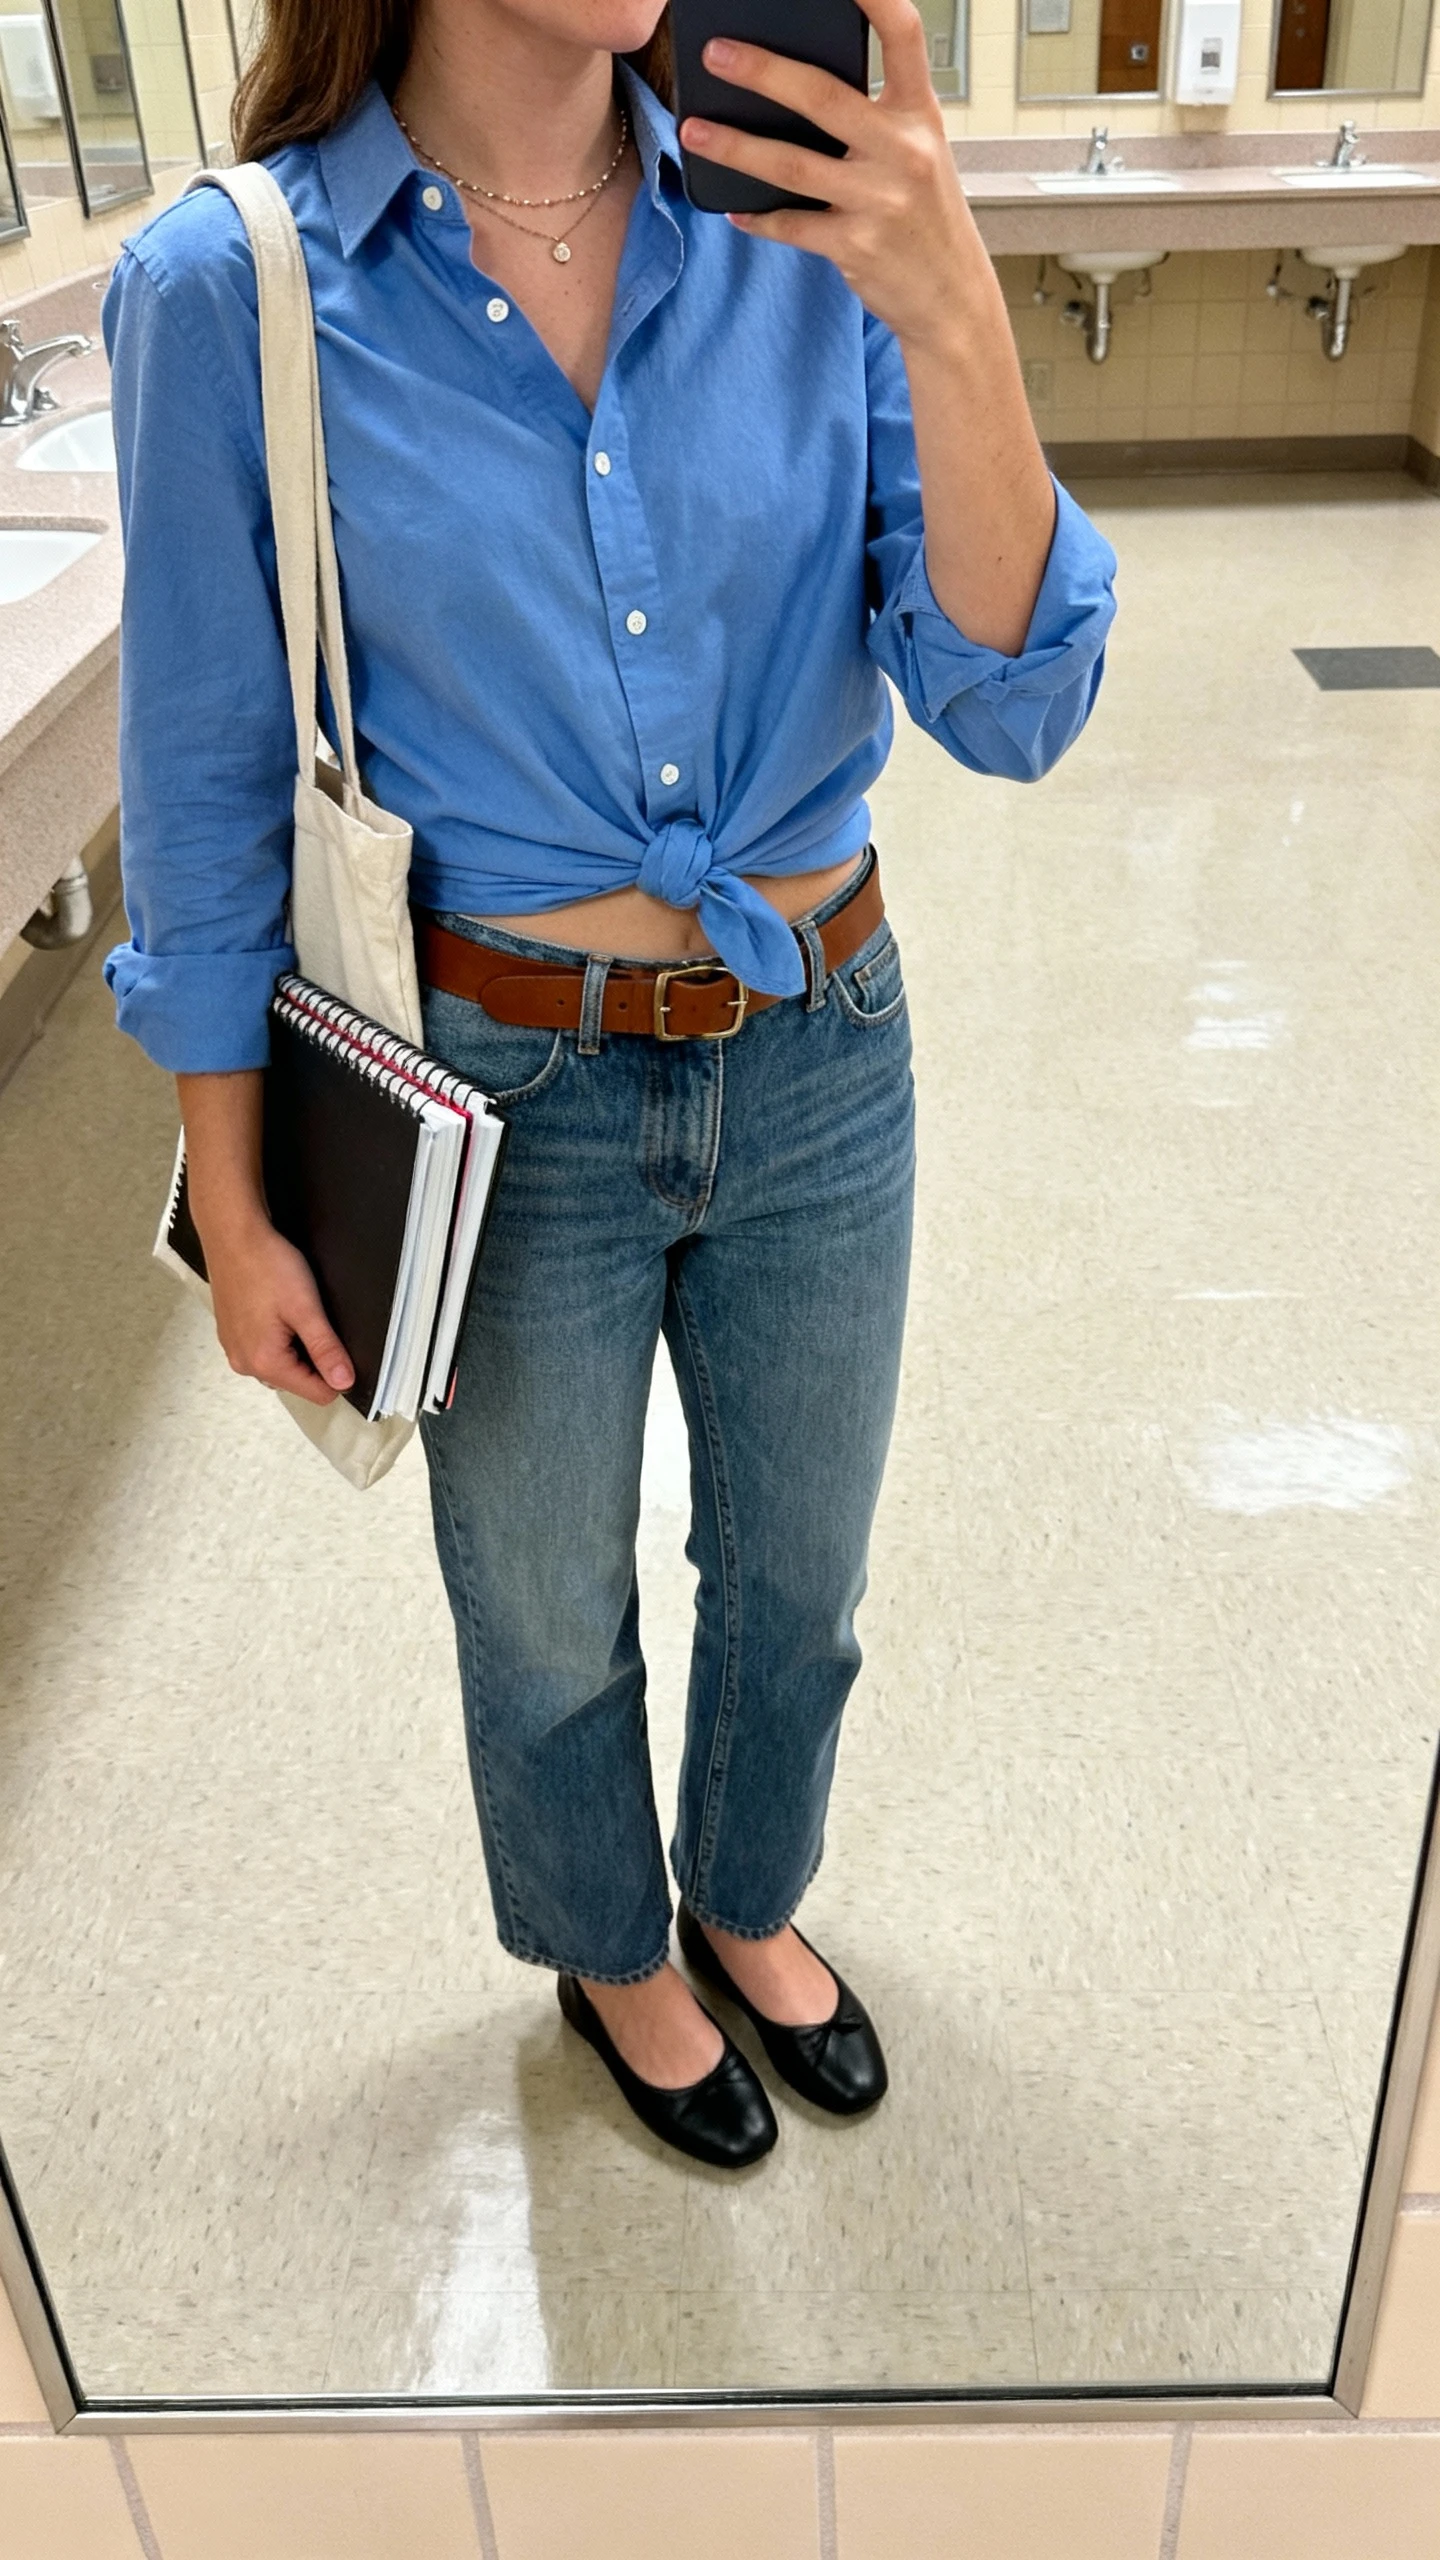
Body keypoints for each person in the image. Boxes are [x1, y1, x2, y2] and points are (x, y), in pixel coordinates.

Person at [103, 0, 1115, 2169]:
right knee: (542, 1598)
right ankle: (610, 1947)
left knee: (800, 1569)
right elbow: (201, 780)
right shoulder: (236, 284)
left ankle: (745, 1896)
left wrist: (954, 311)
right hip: (499, 1085)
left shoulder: (804, 222)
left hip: (827, 1042)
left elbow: (1012, 702)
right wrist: (241, 1197)